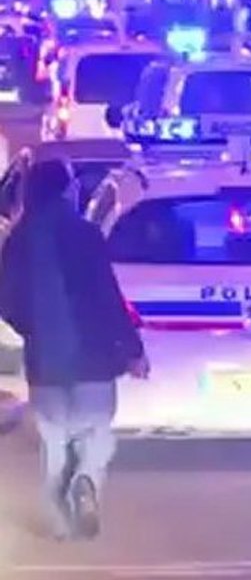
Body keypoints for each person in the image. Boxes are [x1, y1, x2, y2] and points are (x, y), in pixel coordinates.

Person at [0, 159, 149, 540]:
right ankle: (85, 480)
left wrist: (33, 329)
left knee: (54, 443)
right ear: (66, 189)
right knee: (97, 434)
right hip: (95, 357)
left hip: (47, 362)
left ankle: (59, 524)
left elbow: (7, 300)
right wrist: (132, 349)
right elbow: (107, 296)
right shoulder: (85, 235)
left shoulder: (18, 240)